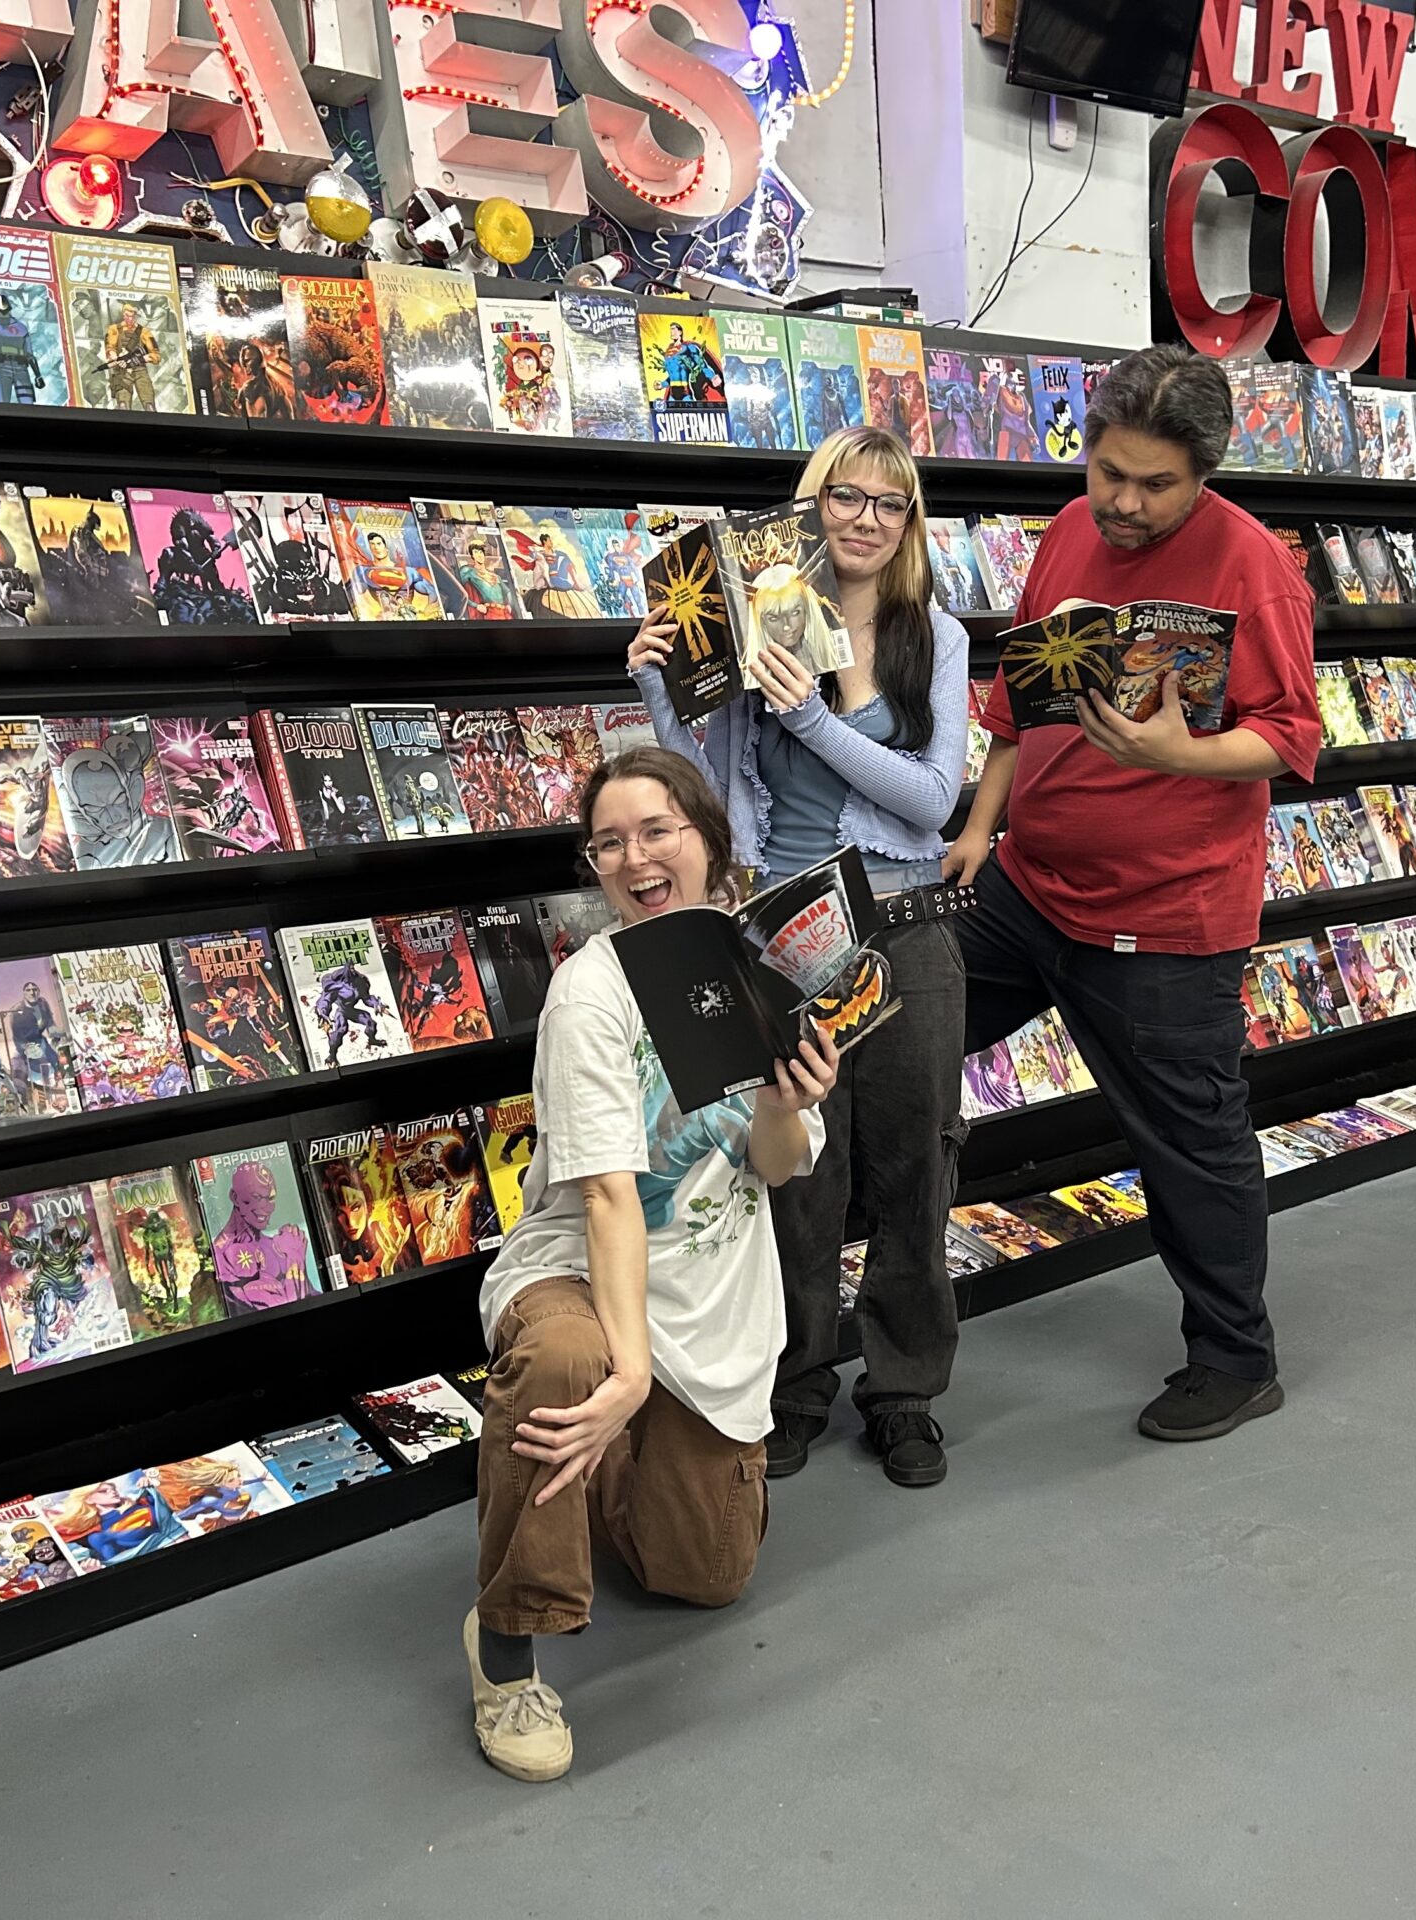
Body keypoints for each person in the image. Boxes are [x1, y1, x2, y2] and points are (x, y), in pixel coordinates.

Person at [943, 344, 1322, 1444]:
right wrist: (978, 828)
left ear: (1203, 473)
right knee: (892, 1032)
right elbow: (1017, 704)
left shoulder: (1253, 565)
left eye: (1157, 485)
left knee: (1190, 1144)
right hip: (1026, 886)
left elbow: (1291, 736)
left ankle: (1236, 1360)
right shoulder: (1070, 529)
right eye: (1110, 471)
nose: (1125, 502)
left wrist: (1178, 755)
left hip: (1164, 919)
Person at [467, 747, 838, 1784]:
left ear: (708, 840)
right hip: (583, 1269)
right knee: (566, 1364)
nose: (634, 859)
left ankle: (606, 1465)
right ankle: (506, 1643)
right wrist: (627, 1374)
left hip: (710, 1308)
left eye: (657, 831)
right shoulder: (589, 994)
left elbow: (775, 1167)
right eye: (609, 843)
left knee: (707, 1576)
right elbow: (606, 1198)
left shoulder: (764, 966)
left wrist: (786, 1102)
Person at [627, 424, 972, 1488]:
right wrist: (658, 690)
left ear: (909, 524)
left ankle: (905, 1393)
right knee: (791, 1172)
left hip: (903, 925)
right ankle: (793, 1385)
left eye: (890, 503)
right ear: (808, 508)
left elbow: (933, 800)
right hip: (775, 932)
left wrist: (814, 720)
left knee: (914, 1164)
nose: (866, 519)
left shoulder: (934, 636)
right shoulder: (754, 625)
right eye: (844, 496)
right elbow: (708, 796)